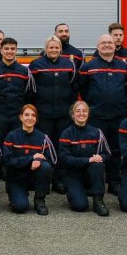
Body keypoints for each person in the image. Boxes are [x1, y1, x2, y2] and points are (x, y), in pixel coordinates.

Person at [78, 34, 127, 195]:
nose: (107, 45)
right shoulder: (88, 67)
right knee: (93, 149)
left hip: (118, 115)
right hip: (96, 115)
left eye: (110, 42)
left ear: (115, 46)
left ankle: (114, 181)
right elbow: (83, 89)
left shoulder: (124, 67)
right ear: (97, 46)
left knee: (116, 150)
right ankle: (93, 182)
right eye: (103, 43)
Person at [28, 35, 77, 194]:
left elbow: (74, 87)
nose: (54, 50)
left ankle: (58, 179)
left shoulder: (69, 64)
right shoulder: (36, 65)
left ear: (61, 49)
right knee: (44, 146)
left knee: (60, 146)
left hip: (63, 114)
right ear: (45, 49)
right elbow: (30, 89)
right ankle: (41, 178)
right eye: (51, 47)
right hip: (43, 114)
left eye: (57, 47)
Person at [57, 101, 110, 216]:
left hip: (90, 174)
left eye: (84, 111)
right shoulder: (66, 134)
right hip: (72, 174)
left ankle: (98, 201)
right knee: (80, 206)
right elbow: (65, 159)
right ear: (72, 115)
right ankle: (74, 191)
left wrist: (101, 156)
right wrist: (88, 160)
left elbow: (107, 154)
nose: (81, 114)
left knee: (98, 163)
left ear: (88, 114)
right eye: (78, 111)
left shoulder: (97, 132)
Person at [3, 104, 56, 215]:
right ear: (21, 117)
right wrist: (31, 159)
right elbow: (7, 161)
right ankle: (14, 195)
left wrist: (39, 161)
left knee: (45, 166)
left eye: (33, 115)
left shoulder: (43, 137)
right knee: (20, 208)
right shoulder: (11, 136)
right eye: (27, 115)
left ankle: (39, 200)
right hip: (16, 178)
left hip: (34, 177)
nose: (30, 118)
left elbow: (52, 160)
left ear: (36, 119)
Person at [0, 37, 35, 141]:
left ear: (16, 50)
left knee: (17, 145)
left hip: (17, 117)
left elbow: (29, 95)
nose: (9, 51)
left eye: (12, 49)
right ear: (1, 50)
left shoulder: (24, 71)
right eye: (6, 49)